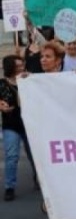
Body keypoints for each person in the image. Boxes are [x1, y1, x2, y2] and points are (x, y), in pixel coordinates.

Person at [2, 55, 35, 201]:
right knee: (11, 156)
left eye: (22, 65)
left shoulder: (29, 79)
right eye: (18, 66)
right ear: (10, 67)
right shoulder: (2, 84)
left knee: (34, 155)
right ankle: (9, 187)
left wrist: (32, 78)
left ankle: (39, 179)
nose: (21, 68)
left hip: (29, 125)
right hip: (11, 125)